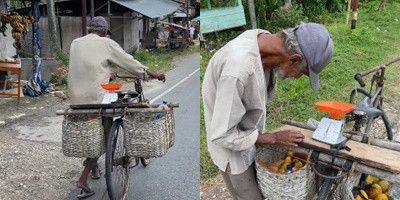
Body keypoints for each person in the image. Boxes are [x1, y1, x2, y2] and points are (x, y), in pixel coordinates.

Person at [202, 23, 334, 200]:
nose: (296, 78)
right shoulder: (237, 71)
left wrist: (260, 137)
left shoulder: (266, 42)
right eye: (302, 74)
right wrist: (271, 138)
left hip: (247, 136)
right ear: (294, 59)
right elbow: (222, 134)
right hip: (231, 149)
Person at [67, 16, 165, 198]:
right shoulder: (106, 43)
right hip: (96, 99)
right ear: (104, 31)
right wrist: (152, 74)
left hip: (75, 99)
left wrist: (107, 74)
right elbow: (128, 62)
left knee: (90, 130)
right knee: (103, 136)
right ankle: (82, 179)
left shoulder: (75, 43)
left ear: (90, 29)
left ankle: (95, 168)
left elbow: (86, 66)